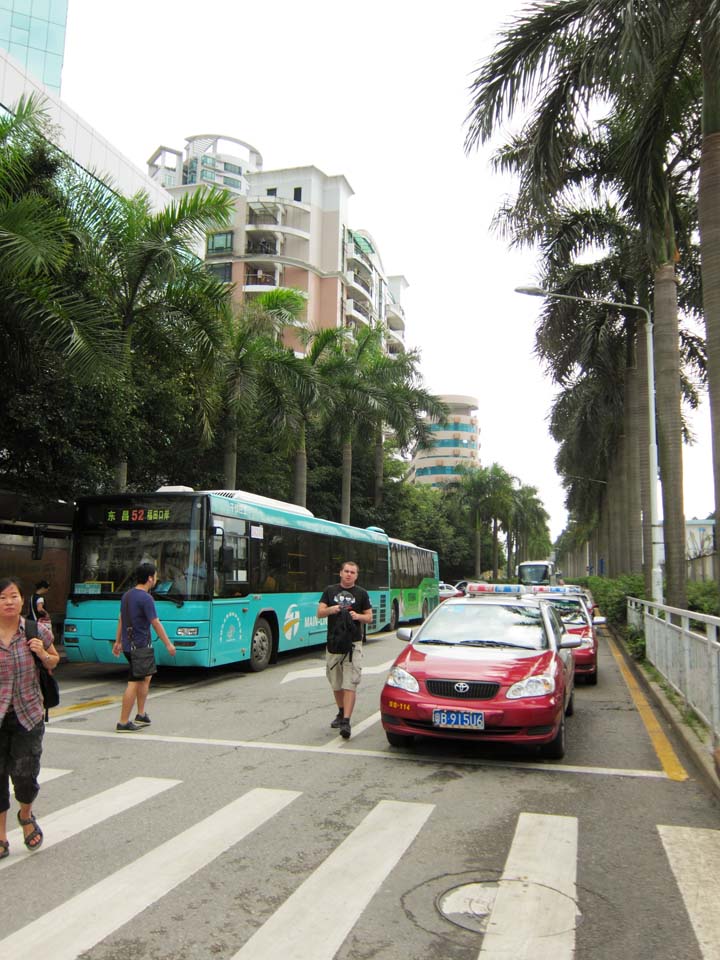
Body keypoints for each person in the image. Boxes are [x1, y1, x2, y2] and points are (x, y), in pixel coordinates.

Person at [0, 576, 60, 858]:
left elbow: (54, 660)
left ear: (22, 600)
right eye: (2, 598)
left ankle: (25, 815)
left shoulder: (35, 630)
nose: (8, 602)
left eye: (13, 596)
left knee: (25, 776)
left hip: (28, 714)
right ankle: (0, 835)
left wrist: (43, 656)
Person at [112, 562, 176, 732]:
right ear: (149, 578)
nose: (156, 579)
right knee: (134, 682)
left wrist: (118, 641)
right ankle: (123, 722)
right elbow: (155, 623)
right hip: (139, 646)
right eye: (155, 576)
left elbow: (121, 619)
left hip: (128, 644)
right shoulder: (146, 598)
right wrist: (168, 643)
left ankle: (140, 714)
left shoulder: (127, 595)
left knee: (145, 677)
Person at [317, 561, 373, 740]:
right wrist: (331, 610)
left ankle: (346, 721)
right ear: (340, 573)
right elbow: (319, 612)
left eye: (353, 572)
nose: (349, 574)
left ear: (356, 576)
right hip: (334, 644)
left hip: (353, 644)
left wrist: (358, 616)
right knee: (336, 683)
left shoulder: (362, 593)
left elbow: (369, 617)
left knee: (350, 683)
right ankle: (341, 712)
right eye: (346, 571)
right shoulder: (330, 591)